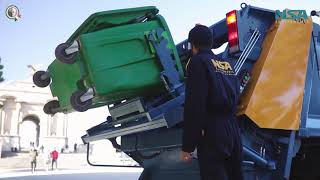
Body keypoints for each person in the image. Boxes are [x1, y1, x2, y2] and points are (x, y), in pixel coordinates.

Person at [180, 25, 243, 180]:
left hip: (213, 132)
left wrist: (188, 146)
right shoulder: (227, 65)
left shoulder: (197, 62)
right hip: (233, 130)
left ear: (192, 45)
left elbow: (195, 106)